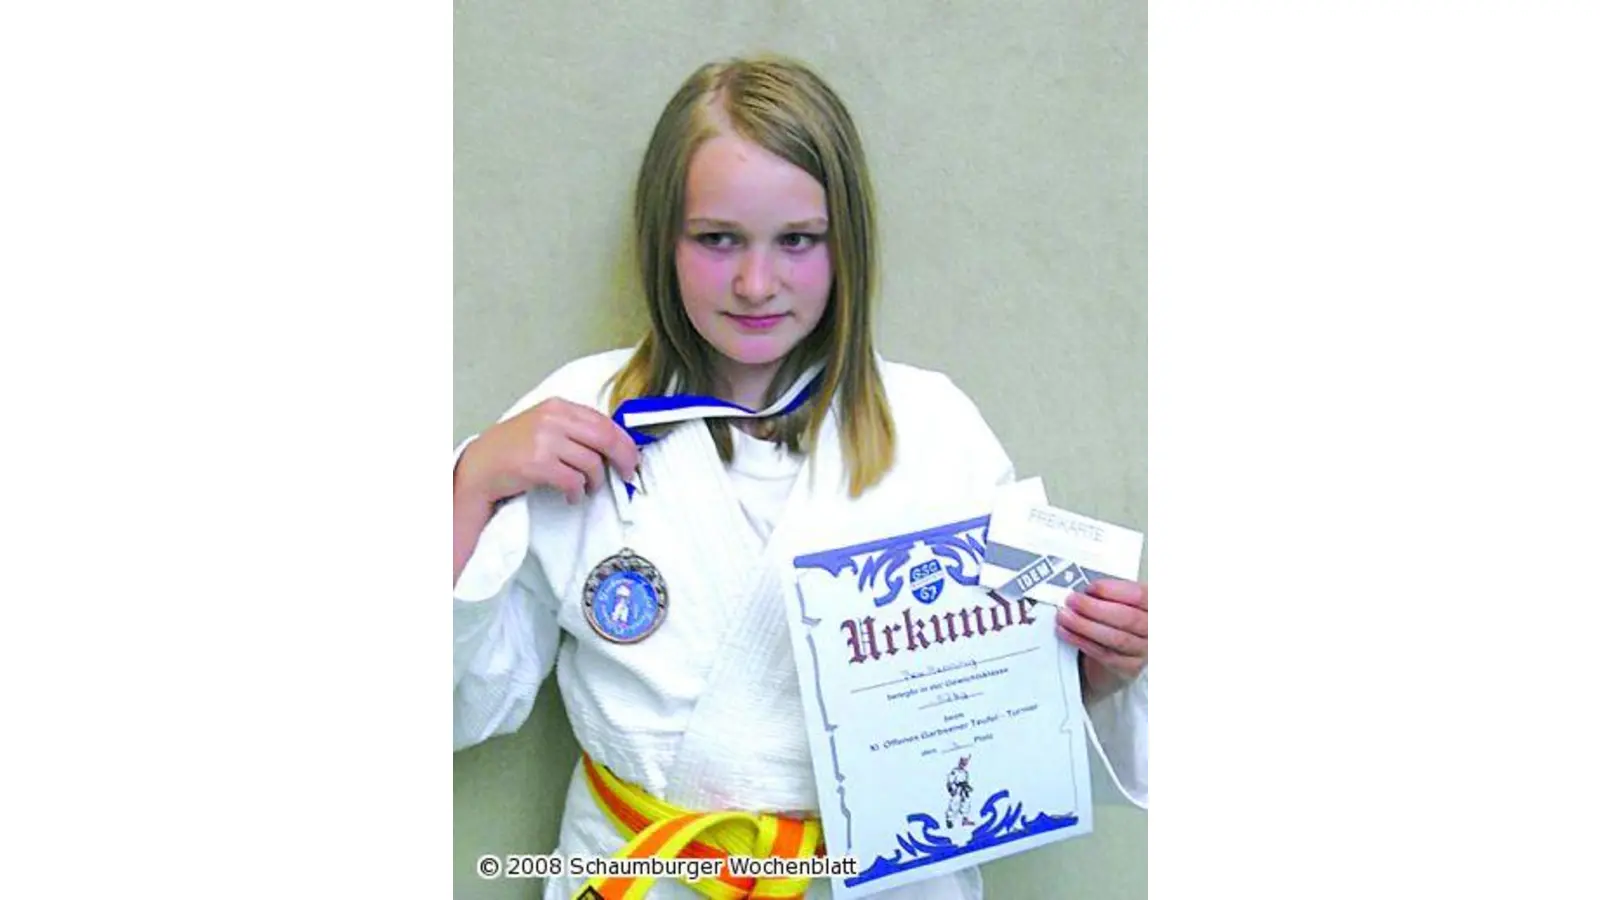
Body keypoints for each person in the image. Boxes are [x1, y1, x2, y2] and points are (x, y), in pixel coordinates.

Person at [453, 54, 1149, 900]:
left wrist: (1099, 672)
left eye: (797, 241)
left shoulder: (936, 431)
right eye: (716, 239)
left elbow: (999, 713)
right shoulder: (578, 418)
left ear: (844, 243)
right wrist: (468, 491)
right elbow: (461, 704)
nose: (755, 283)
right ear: (662, 238)